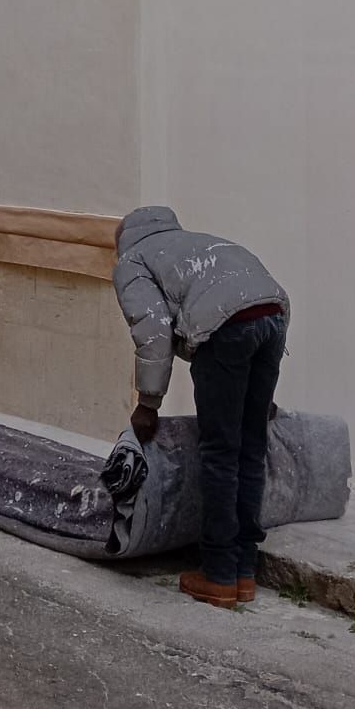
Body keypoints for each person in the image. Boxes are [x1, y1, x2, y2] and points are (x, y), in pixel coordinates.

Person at [113, 205, 289, 608]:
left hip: (225, 329)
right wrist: (260, 394)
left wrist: (148, 405)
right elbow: (269, 300)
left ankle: (220, 575)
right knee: (250, 448)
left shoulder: (133, 260)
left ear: (123, 237)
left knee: (220, 453)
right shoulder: (200, 244)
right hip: (274, 316)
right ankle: (244, 571)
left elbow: (153, 329)